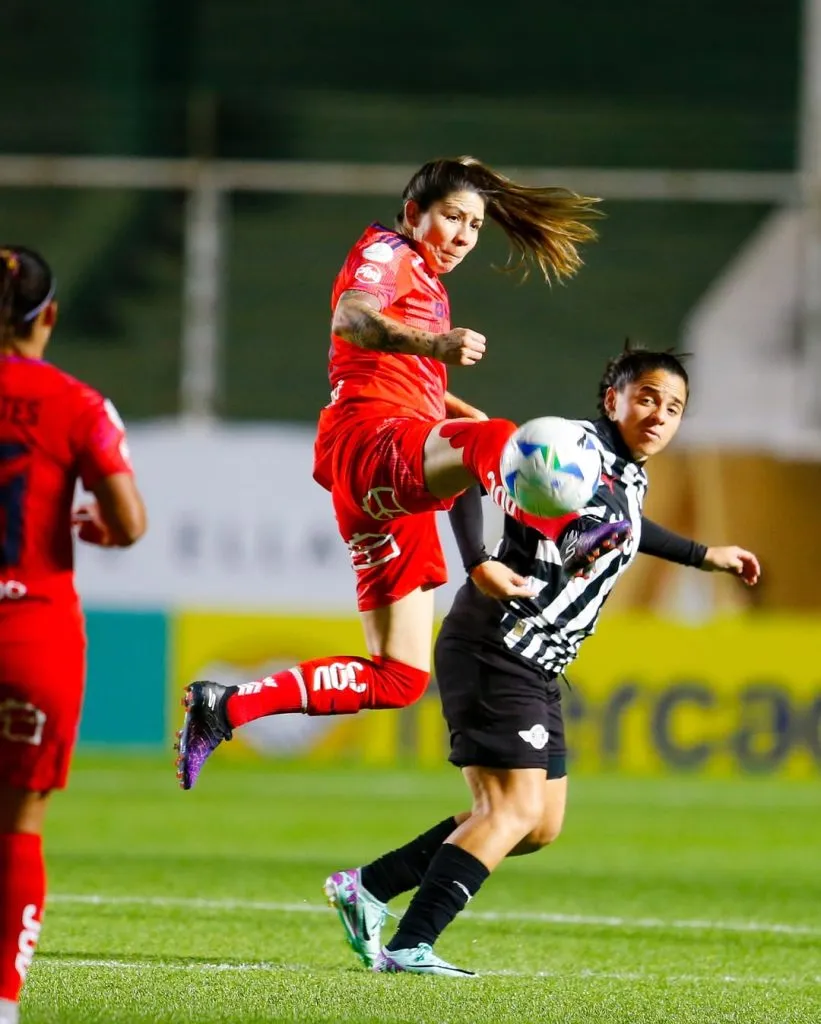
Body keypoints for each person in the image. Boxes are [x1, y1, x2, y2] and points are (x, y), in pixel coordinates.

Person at [175, 154, 627, 791]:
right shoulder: (387, 251)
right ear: (414, 214)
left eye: (475, 225)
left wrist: (442, 396)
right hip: (369, 442)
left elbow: (388, 369)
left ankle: (226, 707)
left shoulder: (428, 283)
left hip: (379, 477)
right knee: (496, 442)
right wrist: (435, 348)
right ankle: (568, 530)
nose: (465, 236)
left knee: (399, 677)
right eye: (453, 218)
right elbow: (352, 320)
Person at [323, 344, 761, 977]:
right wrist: (478, 559)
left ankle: (366, 888)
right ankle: (411, 945)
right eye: (646, 398)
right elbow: (473, 455)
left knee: (536, 825)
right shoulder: (571, 447)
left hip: (539, 660)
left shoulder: (628, 472)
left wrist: (703, 553)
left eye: (674, 407)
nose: (659, 415)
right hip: (499, 642)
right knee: (511, 810)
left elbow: (627, 526)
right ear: (612, 398)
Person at [0, 246, 147, 1024]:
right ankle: (1, 1001)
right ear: (47, 316)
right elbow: (129, 522)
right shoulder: (77, 403)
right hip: (33, 633)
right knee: (19, 824)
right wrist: (90, 526)